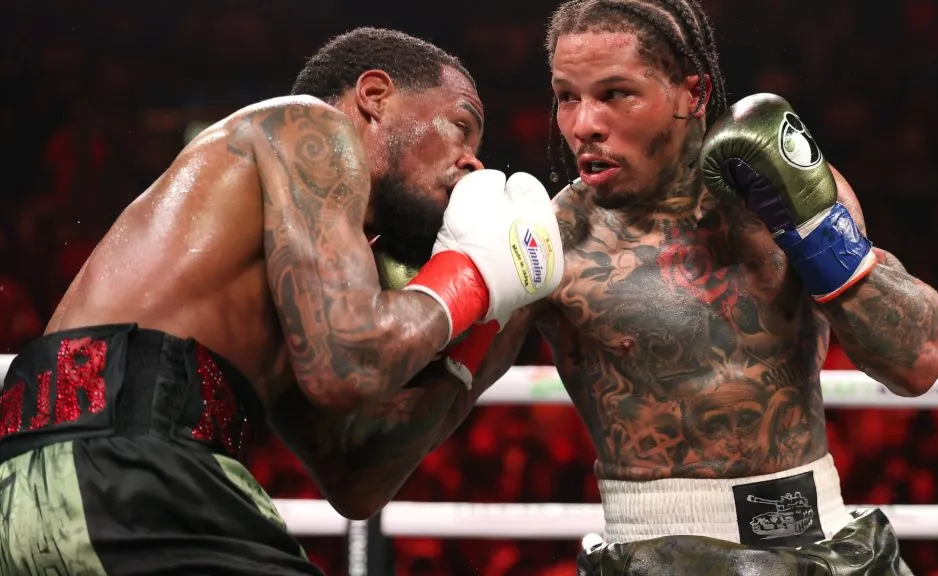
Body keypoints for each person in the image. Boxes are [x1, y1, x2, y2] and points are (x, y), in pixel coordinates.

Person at [0, 27, 563, 575]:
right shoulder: (307, 126)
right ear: (374, 97)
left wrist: (493, 325)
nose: (473, 163)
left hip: (66, 482)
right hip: (122, 467)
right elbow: (349, 362)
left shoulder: (301, 274)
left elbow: (357, 478)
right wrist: (470, 275)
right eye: (461, 127)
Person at [480, 0, 938, 573]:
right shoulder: (552, 240)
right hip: (659, 555)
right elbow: (414, 419)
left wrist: (811, 230)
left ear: (692, 95)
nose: (584, 124)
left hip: (827, 543)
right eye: (567, 96)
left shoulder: (783, 191)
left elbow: (917, 362)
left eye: (616, 94)